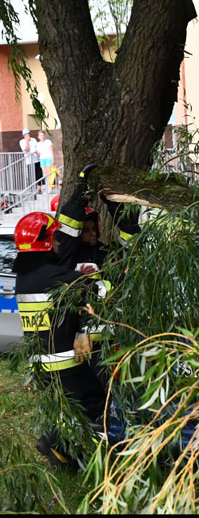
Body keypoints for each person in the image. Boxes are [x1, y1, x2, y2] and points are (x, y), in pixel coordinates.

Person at [13, 182, 111, 469]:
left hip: (40, 365)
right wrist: (95, 280)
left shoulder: (26, 277)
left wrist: (77, 199)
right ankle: (101, 463)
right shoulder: (54, 276)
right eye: (53, 238)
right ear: (46, 242)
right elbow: (98, 291)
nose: (59, 243)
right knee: (94, 404)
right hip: (64, 362)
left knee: (66, 408)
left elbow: (60, 268)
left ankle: (56, 445)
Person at [19, 128, 43, 194]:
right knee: (31, 175)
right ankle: (33, 190)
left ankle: (39, 189)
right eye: (26, 134)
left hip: (36, 160)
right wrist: (27, 141)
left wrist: (37, 152)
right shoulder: (22, 141)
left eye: (28, 133)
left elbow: (37, 148)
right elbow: (26, 150)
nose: (28, 135)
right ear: (24, 135)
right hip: (29, 161)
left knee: (39, 174)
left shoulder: (34, 140)